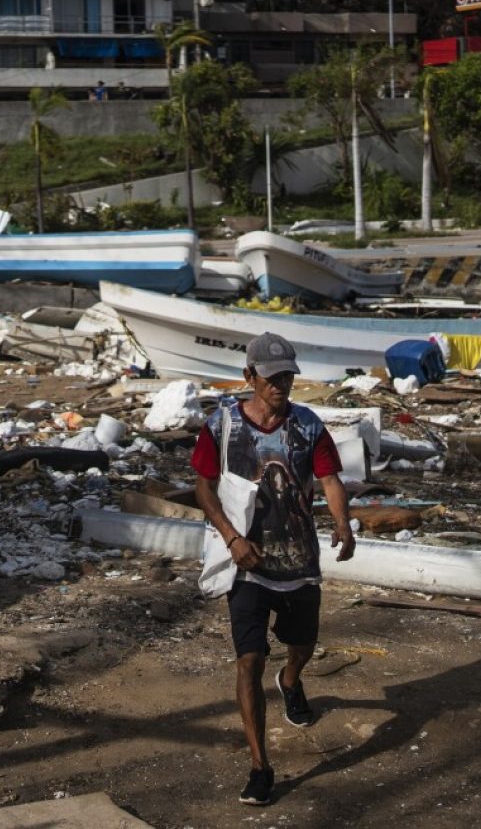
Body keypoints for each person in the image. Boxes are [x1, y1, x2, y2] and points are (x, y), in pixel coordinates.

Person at [192, 332, 356, 807]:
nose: (281, 385)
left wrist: (343, 523)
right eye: (272, 377)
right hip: (246, 562)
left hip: (299, 561)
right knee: (249, 660)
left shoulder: (308, 425)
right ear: (250, 376)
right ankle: (260, 767)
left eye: (287, 376)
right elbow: (202, 487)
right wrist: (231, 537)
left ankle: (292, 681)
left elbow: (329, 477)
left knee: (301, 644)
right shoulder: (221, 425)